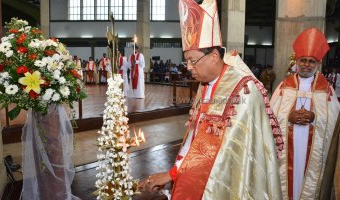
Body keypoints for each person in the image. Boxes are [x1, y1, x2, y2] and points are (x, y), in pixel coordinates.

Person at [138, 0, 284, 199]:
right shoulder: (206, 84)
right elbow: (196, 136)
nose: (188, 67)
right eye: (186, 60)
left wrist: (172, 174)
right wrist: (175, 172)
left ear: (214, 56)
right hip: (195, 173)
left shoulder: (243, 90)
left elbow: (217, 150)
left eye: (192, 60)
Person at [270, 27, 340, 200]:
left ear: (317, 64)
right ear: (297, 61)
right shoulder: (284, 86)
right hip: (288, 143)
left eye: (311, 61)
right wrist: (288, 117)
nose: (306, 65)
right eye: (303, 60)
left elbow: (333, 121)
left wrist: (315, 118)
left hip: (314, 146)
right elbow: (270, 115)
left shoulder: (327, 89)